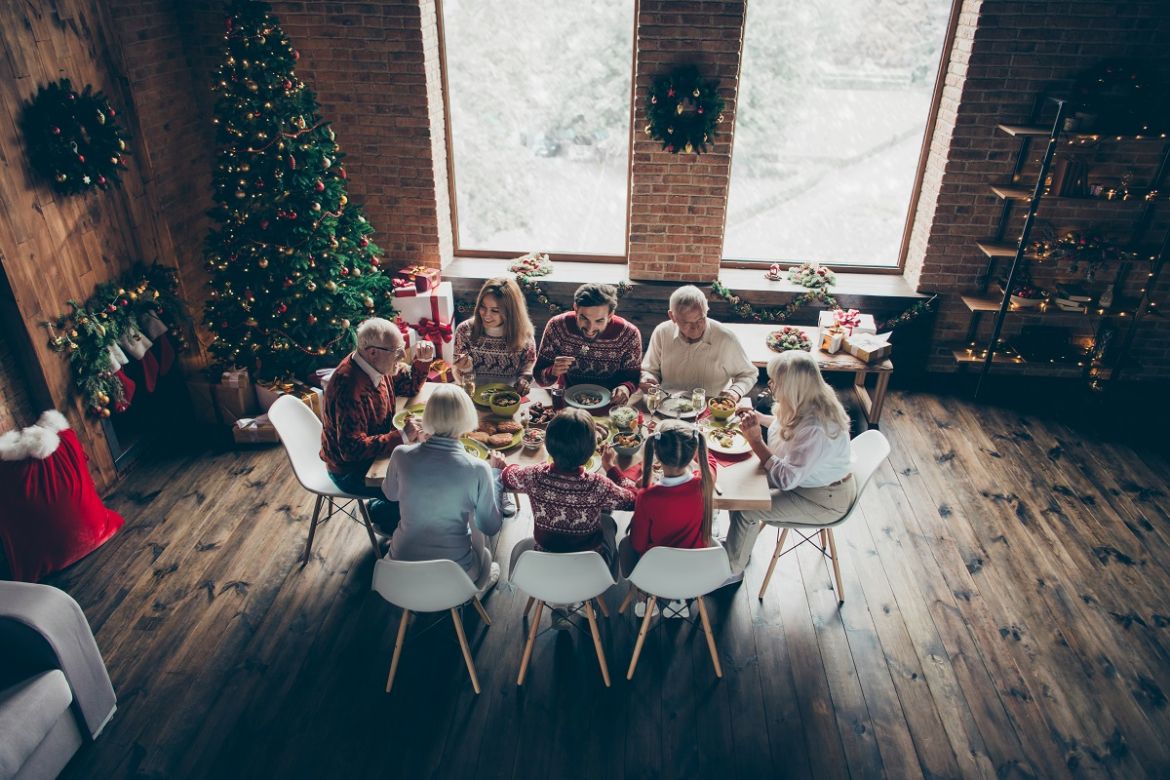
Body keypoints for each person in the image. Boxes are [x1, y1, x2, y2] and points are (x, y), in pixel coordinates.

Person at [722, 350, 855, 584]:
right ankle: (739, 548)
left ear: (793, 386)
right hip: (811, 481)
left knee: (746, 507)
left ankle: (732, 570)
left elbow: (786, 479)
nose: (771, 384)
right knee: (738, 487)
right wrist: (760, 419)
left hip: (822, 498)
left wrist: (756, 440)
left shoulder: (816, 428)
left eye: (776, 381)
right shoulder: (812, 399)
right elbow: (788, 426)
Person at [497, 408, 636, 625]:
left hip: (542, 566)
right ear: (591, 450)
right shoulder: (599, 485)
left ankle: (561, 600)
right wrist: (611, 469)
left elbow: (507, 476)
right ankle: (576, 601)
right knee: (608, 522)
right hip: (591, 571)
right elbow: (633, 500)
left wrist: (504, 465)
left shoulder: (533, 476)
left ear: (548, 445)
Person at [382, 385, 502, 591]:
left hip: (399, 569)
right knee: (476, 523)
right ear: (467, 421)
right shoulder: (478, 468)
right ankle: (476, 591)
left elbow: (390, 494)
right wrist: (495, 476)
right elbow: (490, 526)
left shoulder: (401, 454)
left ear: (428, 417)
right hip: (455, 576)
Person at [320, 317, 435, 534]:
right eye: (397, 350)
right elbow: (350, 451)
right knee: (419, 486)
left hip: (377, 454)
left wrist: (423, 361)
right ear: (373, 352)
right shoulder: (348, 386)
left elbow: (409, 387)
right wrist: (400, 436)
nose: (403, 356)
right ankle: (386, 517)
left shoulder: (377, 366)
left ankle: (388, 510)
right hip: (351, 471)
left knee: (426, 472)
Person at [617, 419, 718, 618]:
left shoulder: (647, 497)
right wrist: (695, 443)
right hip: (695, 569)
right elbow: (711, 463)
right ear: (695, 453)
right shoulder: (705, 482)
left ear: (656, 456)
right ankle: (677, 598)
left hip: (655, 570)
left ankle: (644, 596)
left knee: (627, 543)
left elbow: (638, 544)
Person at [640, 285, 757, 402]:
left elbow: (748, 374)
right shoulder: (662, 332)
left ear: (706, 310)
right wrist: (648, 379)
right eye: (687, 323)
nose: (695, 327)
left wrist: (735, 392)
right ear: (672, 316)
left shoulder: (726, 338)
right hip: (667, 406)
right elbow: (649, 370)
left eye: (700, 319)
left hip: (711, 410)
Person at [533, 283, 642, 405]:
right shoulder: (557, 326)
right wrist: (552, 371)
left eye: (599, 321)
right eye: (584, 318)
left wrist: (626, 388)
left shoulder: (629, 334)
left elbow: (633, 379)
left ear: (610, 315)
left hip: (610, 405)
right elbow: (539, 377)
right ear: (575, 308)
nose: (590, 329)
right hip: (567, 403)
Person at [453, 277, 536, 394]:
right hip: (474, 394)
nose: (486, 315)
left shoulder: (525, 335)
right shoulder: (464, 330)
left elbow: (528, 369)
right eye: (483, 307)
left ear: (511, 311)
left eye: (495, 310)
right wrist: (466, 369)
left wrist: (523, 382)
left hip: (508, 398)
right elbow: (460, 378)